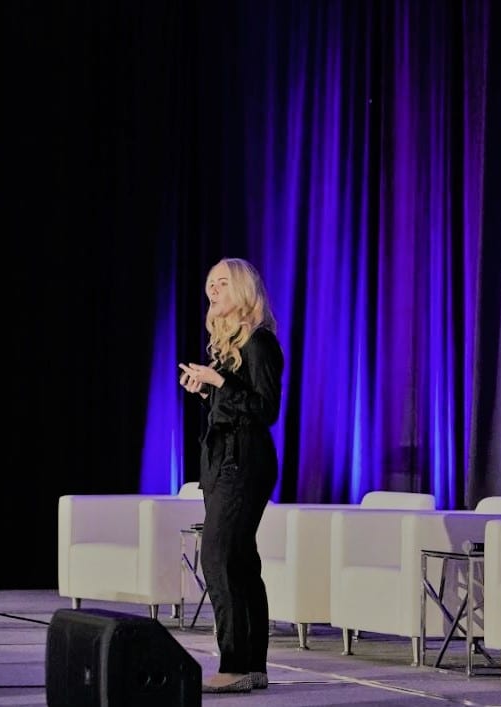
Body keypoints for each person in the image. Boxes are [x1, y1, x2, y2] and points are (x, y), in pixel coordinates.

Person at [178, 257, 283, 694]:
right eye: (209, 284)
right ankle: (252, 666)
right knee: (238, 561)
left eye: (222, 283)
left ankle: (235, 663)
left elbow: (266, 410)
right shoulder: (228, 347)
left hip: (244, 462)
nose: (213, 290)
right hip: (223, 460)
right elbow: (235, 407)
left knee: (219, 558)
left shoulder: (260, 343)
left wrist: (221, 384)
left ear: (242, 289)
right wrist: (207, 391)